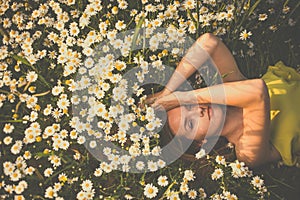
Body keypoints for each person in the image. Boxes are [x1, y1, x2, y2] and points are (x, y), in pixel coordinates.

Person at [146, 33, 300, 167]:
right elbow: (257, 92)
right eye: (190, 123)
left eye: (189, 106)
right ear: (201, 143)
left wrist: (167, 92)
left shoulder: (232, 84)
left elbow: (209, 41)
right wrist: (184, 97)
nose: (198, 110)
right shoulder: (246, 151)